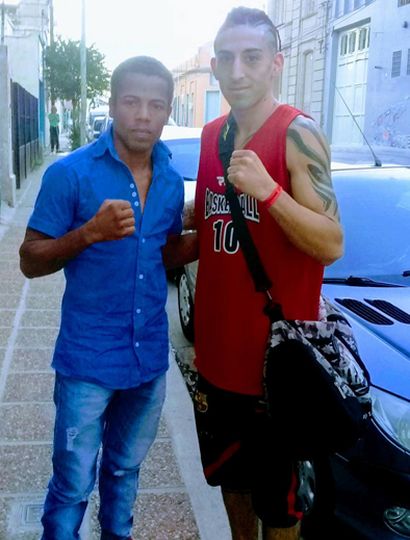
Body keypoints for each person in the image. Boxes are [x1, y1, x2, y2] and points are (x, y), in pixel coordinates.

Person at [191, 7, 344, 540]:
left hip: (278, 373)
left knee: (280, 516)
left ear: (275, 64)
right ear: (213, 65)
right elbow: (210, 234)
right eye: (227, 58)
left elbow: (332, 243)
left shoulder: (298, 133)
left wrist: (270, 192)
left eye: (251, 57)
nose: (238, 70)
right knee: (232, 495)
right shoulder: (212, 137)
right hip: (214, 363)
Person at [19, 56, 186, 540]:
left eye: (156, 105)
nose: (143, 115)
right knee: (72, 484)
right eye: (131, 102)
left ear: (167, 111)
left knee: (124, 473)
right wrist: (88, 233)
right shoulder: (70, 174)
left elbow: (163, 252)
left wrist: (211, 237)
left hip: (148, 360)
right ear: (112, 105)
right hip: (87, 362)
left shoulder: (171, 180)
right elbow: (31, 260)